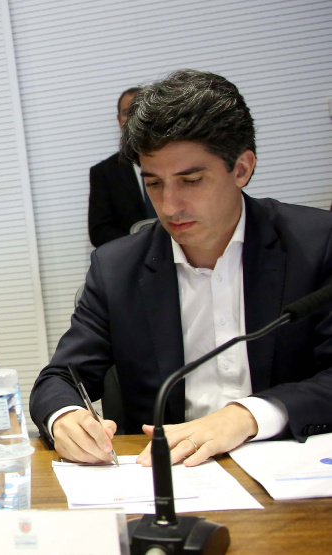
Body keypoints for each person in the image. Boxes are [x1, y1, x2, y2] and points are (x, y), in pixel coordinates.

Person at [30, 69, 332, 468]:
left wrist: (247, 416)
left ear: (241, 169)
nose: (170, 206)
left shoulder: (316, 243)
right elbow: (58, 380)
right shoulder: (117, 267)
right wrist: (65, 418)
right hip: (169, 479)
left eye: (191, 181)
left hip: (292, 470)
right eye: (154, 183)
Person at [87, 87, 157, 247]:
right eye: (127, 112)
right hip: (134, 259)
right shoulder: (104, 173)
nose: (133, 118)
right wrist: (140, 242)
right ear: (119, 120)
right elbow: (99, 231)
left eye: (139, 110)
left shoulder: (177, 163)